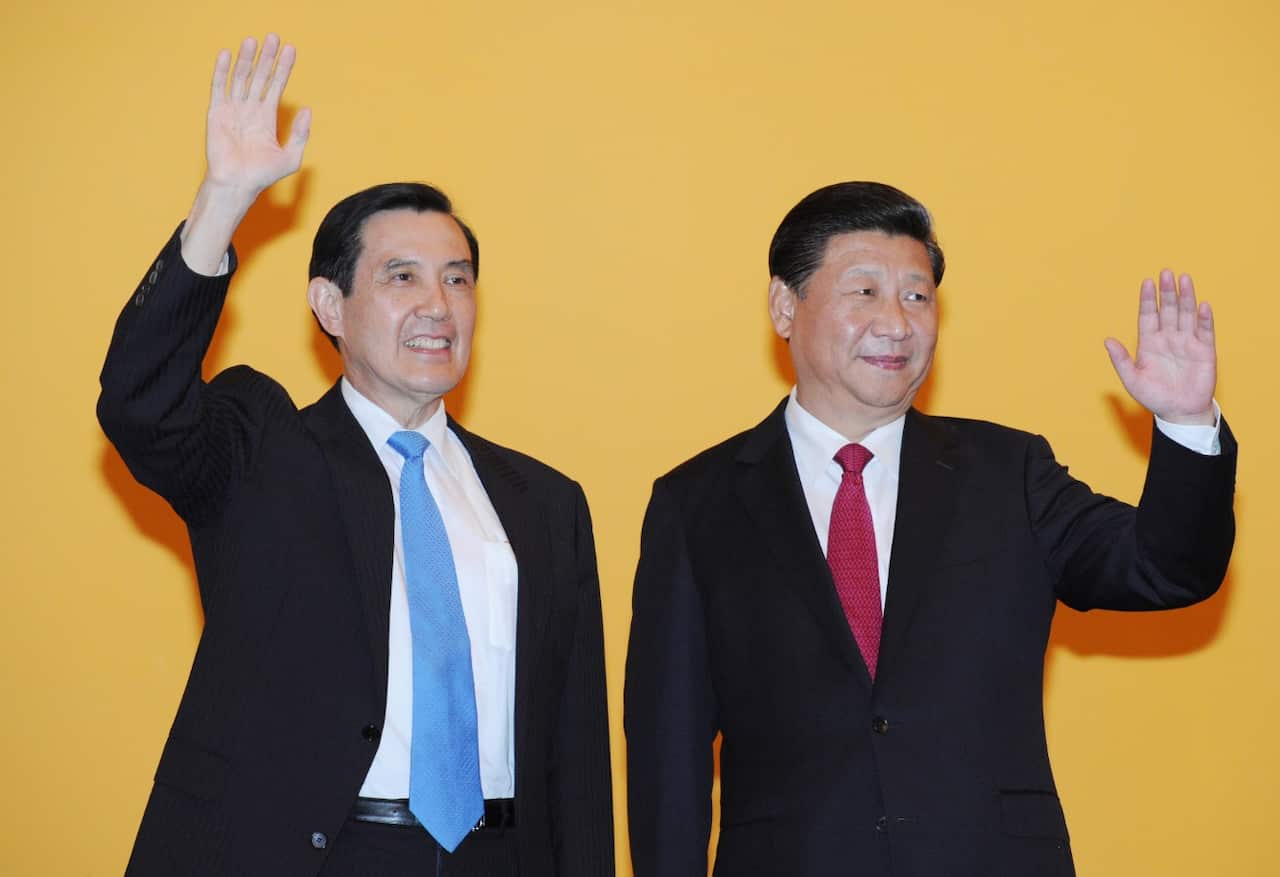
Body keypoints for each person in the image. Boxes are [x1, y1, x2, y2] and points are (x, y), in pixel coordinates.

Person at [98, 34, 613, 876]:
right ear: (329, 305)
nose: (438, 305)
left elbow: (575, 755)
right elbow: (139, 401)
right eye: (402, 277)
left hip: (501, 853)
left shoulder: (545, 502)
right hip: (320, 852)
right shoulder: (262, 447)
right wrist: (222, 201)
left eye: (458, 277)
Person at [623, 181, 1235, 876]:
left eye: (917, 296)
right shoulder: (695, 504)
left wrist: (1185, 424)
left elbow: (1165, 568)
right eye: (864, 292)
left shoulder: (1010, 474)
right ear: (784, 307)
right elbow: (666, 760)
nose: (896, 323)